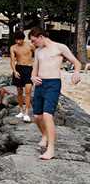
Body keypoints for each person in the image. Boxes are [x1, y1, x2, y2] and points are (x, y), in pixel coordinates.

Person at [29, 27, 82, 160]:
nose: (33, 44)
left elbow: (77, 63)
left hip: (53, 84)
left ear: (41, 37)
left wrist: (76, 73)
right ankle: (45, 135)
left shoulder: (60, 47)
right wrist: (33, 78)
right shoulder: (38, 51)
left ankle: (50, 149)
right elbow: (34, 71)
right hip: (40, 84)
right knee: (37, 116)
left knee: (47, 115)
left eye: (34, 41)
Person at [10, 32, 35, 123]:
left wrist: (36, 68)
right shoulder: (13, 47)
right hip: (18, 68)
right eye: (16, 40)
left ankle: (27, 113)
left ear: (23, 39)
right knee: (19, 92)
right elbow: (12, 61)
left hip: (29, 69)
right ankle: (21, 111)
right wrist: (14, 71)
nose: (18, 41)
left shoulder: (30, 45)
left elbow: (39, 55)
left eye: (19, 39)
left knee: (28, 91)